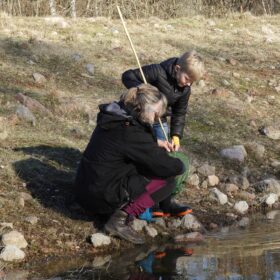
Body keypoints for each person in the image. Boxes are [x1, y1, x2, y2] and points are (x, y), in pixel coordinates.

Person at [75, 84, 190, 244]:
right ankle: (118, 220)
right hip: (99, 197)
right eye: (156, 113)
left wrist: (155, 143)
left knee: (144, 168)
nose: (158, 118)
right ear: (144, 109)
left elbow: (124, 146)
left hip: (86, 188)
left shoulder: (116, 118)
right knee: (167, 180)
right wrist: (179, 162)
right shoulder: (131, 132)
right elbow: (166, 166)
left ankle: (120, 210)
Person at [122, 50, 205, 152]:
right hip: (139, 114)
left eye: (192, 82)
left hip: (159, 119)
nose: (188, 84)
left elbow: (179, 112)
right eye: (187, 79)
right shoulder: (157, 71)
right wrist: (143, 91)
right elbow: (127, 76)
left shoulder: (185, 90)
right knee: (139, 141)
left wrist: (176, 135)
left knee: (163, 145)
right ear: (177, 68)